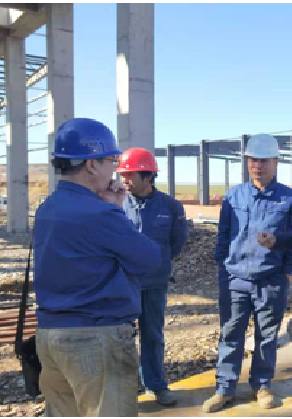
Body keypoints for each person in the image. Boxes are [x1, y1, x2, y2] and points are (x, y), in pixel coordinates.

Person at [34, 118, 163, 416]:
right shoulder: (101, 213)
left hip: (50, 336)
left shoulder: (47, 208)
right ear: (92, 164)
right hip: (95, 338)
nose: (114, 170)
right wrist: (116, 209)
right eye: (111, 162)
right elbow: (149, 259)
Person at [202, 134, 292, 413]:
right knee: (230, 334)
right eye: (253, 160)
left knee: (267, 336)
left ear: (276, 163)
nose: (258, 166)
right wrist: (223, 268)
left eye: (264, 161)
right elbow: (224, 234)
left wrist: (284, 266)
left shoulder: (290, 199)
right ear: (247, 162)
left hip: (270, 278)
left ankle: (261, 385)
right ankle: (225, 388)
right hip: (235, 278)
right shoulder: (234, 196)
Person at [116, 147, 189, 406]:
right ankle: (121, 391)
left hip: (155, 282)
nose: (124, 179)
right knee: (119, 337)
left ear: (147, 176)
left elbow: (177, 242)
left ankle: (156, 385)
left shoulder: (170, 206)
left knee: (152, 336)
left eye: (130, 175)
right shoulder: (115, 204)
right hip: (123, 283)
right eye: (122, 174)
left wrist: (158, 263)